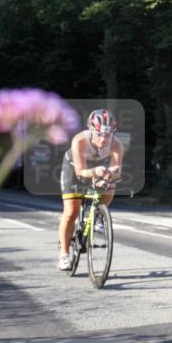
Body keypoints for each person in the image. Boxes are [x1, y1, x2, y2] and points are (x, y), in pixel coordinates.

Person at [57, 109, 124, 270]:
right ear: (91, 130)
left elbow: (117, 169)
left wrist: (109, 175)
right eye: (99, 134)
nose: (103, 138)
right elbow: (80, 172)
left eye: (108, 135)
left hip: (98, 168)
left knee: (111, 185)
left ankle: (98, 215)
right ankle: (64, 255)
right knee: (71, 211)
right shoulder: (80, 140)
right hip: (74, 169)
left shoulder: (116, 144)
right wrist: (95, 173)